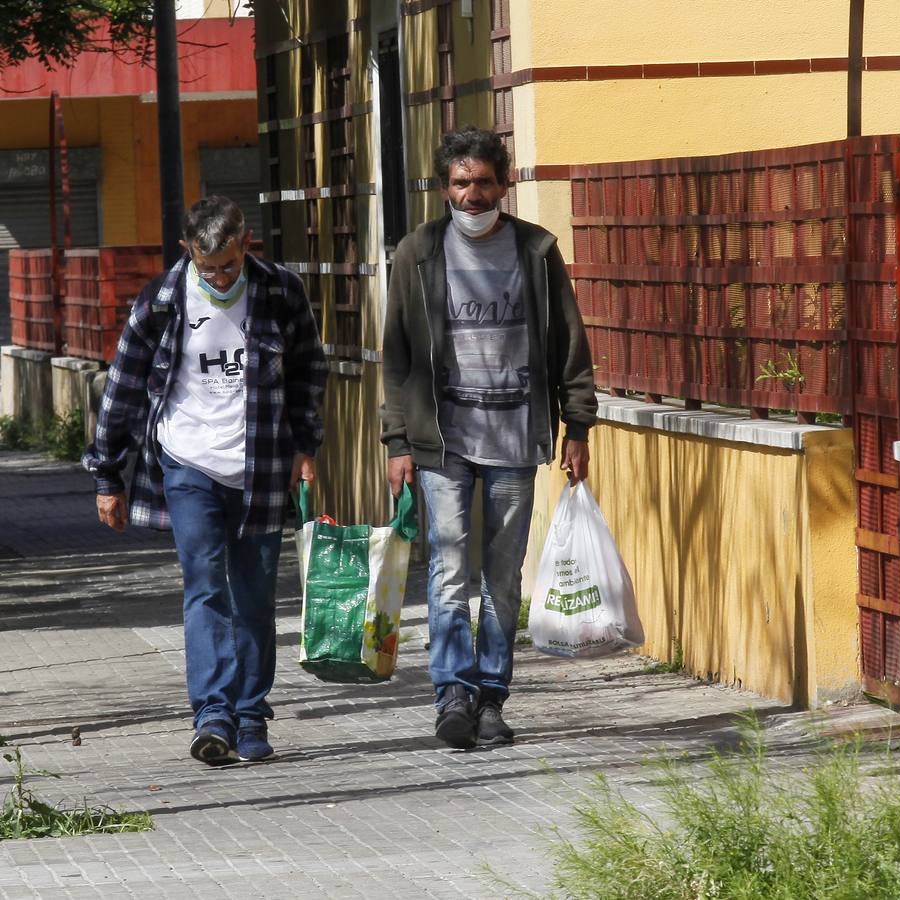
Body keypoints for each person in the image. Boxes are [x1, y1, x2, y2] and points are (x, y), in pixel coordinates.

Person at [83, 196, 328, 765]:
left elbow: (309, 371)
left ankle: (250, 715)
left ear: (246, 243)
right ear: (187, 251)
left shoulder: (280, 292)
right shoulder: (163, 300)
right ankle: (212, 714)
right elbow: (121, 387)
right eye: (206, 265)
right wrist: (106, 475)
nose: (218, 276)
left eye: (228, 264)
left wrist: (304, 447)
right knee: (205, 586)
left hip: (261, 465)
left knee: (256, 593)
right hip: (187, 462)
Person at [381, 127, 597, 749]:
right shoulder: (417, 253)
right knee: (448, 569)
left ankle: (493, 699)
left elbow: (569, 346)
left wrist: (577, 424)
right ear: (444, 186)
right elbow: (394, 355)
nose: (472, 196)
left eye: (483, 182)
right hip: (441, 440)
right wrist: (397, 441)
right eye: (460, 183)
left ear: (504, 184)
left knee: (502, 578)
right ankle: (452, 692)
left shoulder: (536, 251)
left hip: (516, 436)